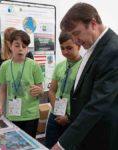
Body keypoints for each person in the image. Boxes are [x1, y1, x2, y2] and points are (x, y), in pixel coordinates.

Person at [51, 2, 118, 150]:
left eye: (76, 33)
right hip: (86, 135)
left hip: (102, 137)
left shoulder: (113, 50)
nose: (75, 41)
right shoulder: (93, 47)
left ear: (93, 24)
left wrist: (62, 144)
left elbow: (97, 105)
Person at [0, 30, 44, 138]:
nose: (21, 48)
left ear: (27, 49)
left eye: (24, 46)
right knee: (13, 143)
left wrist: (40, 91)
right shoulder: (5, 66)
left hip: (30, 115)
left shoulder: (34, 65)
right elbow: (3, 88)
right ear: (10, 45)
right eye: (17, 45)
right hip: (12, 114)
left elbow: (40, 89)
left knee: (29, 144)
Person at [45, 32, 82, 149]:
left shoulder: (84, 67)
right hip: (55, 114)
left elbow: (85, 98)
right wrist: (58, 111)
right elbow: (52, 91)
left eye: (69, 48)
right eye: (62, 48)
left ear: (79, 46)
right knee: (50, 145)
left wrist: (69, 117)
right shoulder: (60, 66)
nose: (65, 52)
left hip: (72, 118)